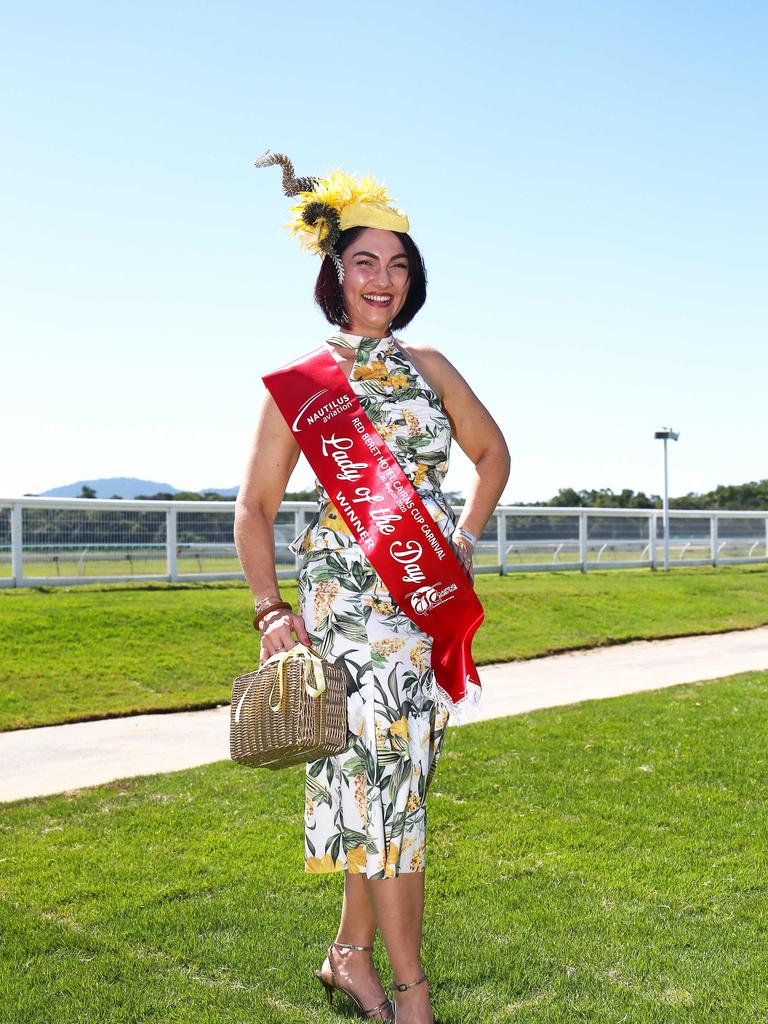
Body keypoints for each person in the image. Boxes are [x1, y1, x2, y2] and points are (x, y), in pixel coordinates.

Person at [234, 153, 510, 1024]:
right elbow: (254, 508)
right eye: (364, 262)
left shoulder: (430, 365)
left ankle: (349, 955)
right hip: (343, 620)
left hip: (421, 608)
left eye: (398, 264)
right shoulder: (304, 386)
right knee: (385, 791)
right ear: (335, 273)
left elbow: (493, 455)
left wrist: (461, 539)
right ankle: (412, 997)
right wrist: (270, 612)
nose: (382, 279)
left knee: (390, 787)